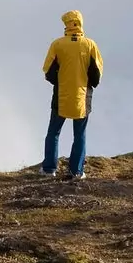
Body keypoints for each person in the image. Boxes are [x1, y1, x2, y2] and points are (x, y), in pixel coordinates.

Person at [41, 9, 103, 180]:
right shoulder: (90, 45)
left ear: (66, 25)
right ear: (80, 23)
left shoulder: (57, 44)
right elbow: (97, 73)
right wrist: (88, 85)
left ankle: (49, 169)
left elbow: (48, 71)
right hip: (82, 97)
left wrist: (60, 82)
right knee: (80, 134)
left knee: (53, 132)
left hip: (61, 95)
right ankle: (76, 171)